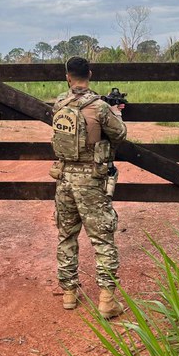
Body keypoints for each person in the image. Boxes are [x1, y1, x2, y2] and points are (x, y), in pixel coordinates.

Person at [50, 56, 127, 318]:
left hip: (63, 179)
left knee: (66, 235)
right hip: (92, 180)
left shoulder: (59, 103)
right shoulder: (100, 107)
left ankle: (69, 293)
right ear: (90, 75)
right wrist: (116, 113)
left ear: (67, 77)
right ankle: (107, 300)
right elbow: (119, 134)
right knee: (102, 238)